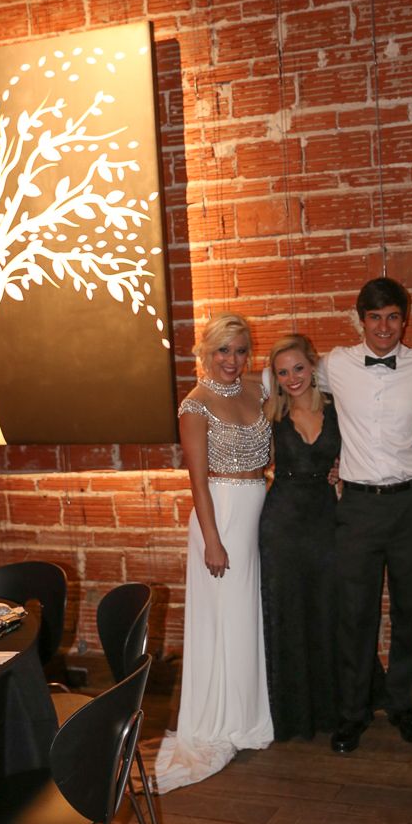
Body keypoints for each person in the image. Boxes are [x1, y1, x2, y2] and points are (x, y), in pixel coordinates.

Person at [155, 313, 274, 792]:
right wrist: (212, 540)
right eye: (224, 349)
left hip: (257, 512)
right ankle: (219, 720)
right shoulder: (195, 405)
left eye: (240, 350)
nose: (232, 359)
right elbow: (198, 481)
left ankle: (245, 714)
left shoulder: (258, 392)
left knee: (245, 618)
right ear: (206, 351)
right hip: (220, 517)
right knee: (224, 620)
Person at [323, 277, 412, 753]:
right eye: (375, 317)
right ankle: (353, 711)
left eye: (393, 317)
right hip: (357, 507)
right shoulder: (335, 365)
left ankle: (403, 704)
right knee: (355, 613)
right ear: (361, 320)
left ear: (404, 320)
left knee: (411, 610)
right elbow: (286, 383)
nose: (384, 327)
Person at [259, 334, 341, 740]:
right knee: (287, 610)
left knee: (327, 608)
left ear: (313, 365)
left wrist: (343, 470)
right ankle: (291, 713)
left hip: (326, 520)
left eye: (298, 368)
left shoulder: (338, 409)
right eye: (282, 373)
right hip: (283, 525)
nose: (292, 378)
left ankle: (330, 708)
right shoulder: (270, 415)